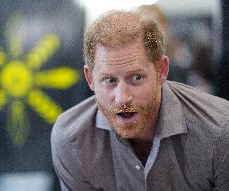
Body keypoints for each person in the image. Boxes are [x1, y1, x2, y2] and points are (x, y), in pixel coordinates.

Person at [51, 10, 229, 190]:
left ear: (162, 70)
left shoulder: (219, 131)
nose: (122, 99)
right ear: (90, 79)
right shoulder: (72, 138)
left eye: (136, 78)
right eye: (110, 80)